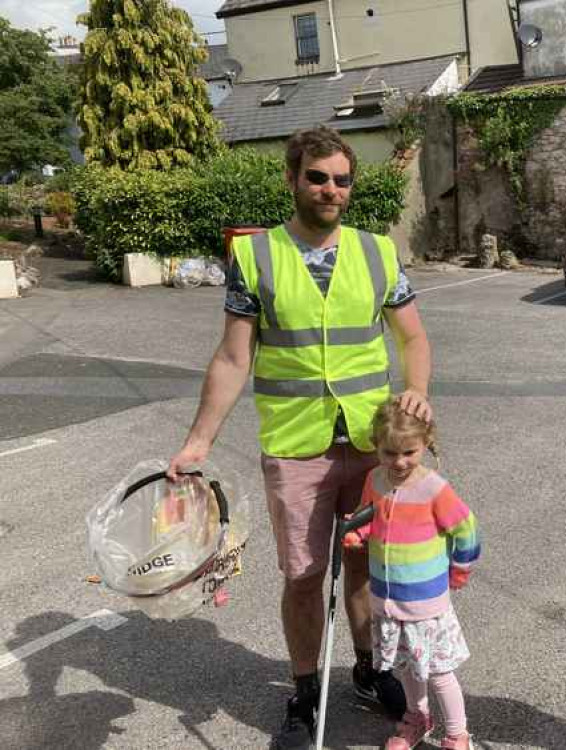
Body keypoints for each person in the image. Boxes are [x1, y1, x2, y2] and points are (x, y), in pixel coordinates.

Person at [167, 125, 432, 750]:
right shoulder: (255, 257)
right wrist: (199, 440)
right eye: (317, 177)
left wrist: (418, 390)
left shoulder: (378, 252)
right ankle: (306, 688)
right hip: (296, 445)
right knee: (304, 575)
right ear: (292, 179)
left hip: (372, 443)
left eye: (341, 179)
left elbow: (413, 338)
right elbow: (234, 359)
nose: (330, 188)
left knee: (366, 564)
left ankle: (368, 670)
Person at [347, 398, 480, 750]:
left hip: (425, 603)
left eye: (409, 452)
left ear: (425, 443)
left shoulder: (434, 488)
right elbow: (367, 515)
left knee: (438, 672)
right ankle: (417, 717)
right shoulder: (374, 479)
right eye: (390, 453)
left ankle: (457, 734)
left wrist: (461, 568)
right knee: (405, 666)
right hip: (388, 599)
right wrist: (357, 532)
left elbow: (466, 528)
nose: (400, 462)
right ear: (377, 447)